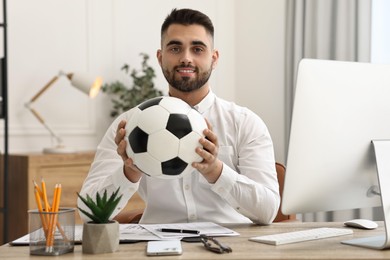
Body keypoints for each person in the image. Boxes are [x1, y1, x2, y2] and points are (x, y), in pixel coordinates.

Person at [78, 8, 280, 224]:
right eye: (175, 48)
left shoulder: (245, 123)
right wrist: (128, 173)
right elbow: (88, 211)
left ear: (214, 59)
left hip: (233, 247)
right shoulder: (128, 126)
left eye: (197, 49)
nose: (186, 58)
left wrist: (216, 171)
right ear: (160, 57)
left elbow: (267, 211)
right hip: (156, 248)